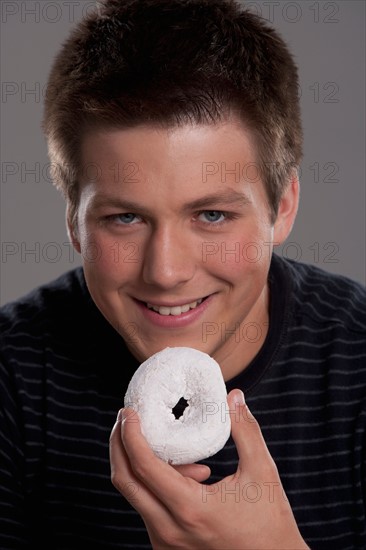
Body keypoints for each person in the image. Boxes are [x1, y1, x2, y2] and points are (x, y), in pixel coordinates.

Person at [0, 0, 365, 548]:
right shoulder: (12, 376)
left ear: (282, 206)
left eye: (212, 215)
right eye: (125, 217)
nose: (166, 272)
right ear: (74, 221)